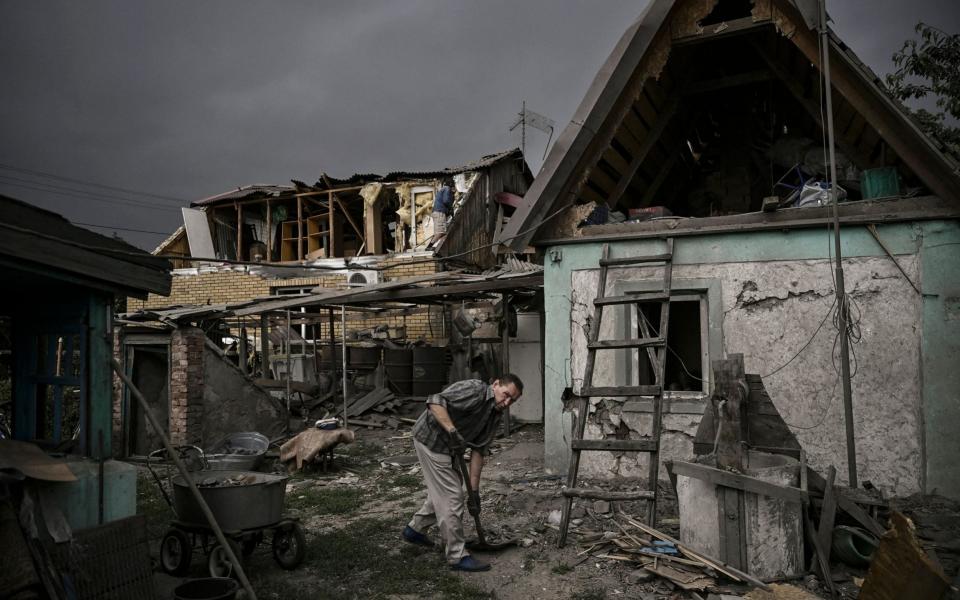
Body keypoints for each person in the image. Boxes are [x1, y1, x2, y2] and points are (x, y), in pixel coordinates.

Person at [402, 374, 524, 571]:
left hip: (448, 447)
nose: (507, 402)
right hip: (431, 440)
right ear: (495, 385)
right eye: (506, 394)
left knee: (449, 488)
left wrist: (474, 493)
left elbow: (479, 451)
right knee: (451, 495)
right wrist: (451, 430)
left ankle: (415, 529)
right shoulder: (474, 390)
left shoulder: (495, 415)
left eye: (513, 400)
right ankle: (457, 556)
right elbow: (434, 401)